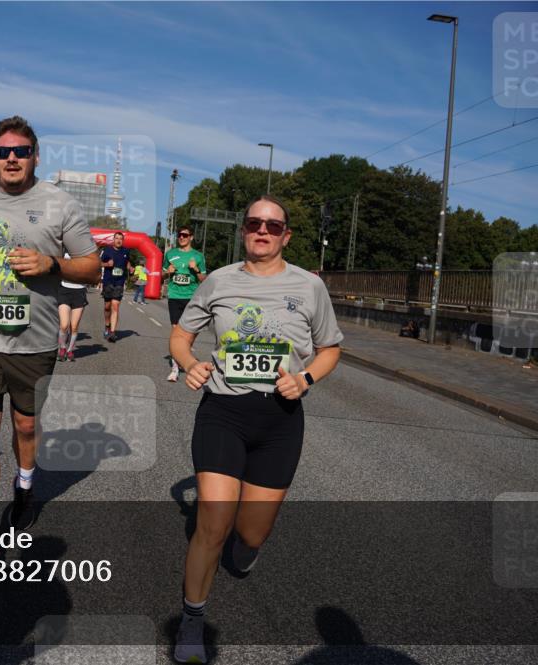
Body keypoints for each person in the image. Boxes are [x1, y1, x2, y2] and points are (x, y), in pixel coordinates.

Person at [169, 196, 343, 663]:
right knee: (212, 522)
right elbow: (181, 336)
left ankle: (247, 549)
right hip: (222, 412)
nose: (262, 230)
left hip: (280, 421)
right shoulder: (218, 281)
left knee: (250, 534)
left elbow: (330, 349)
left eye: (273, 225)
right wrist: (189, 364)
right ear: (243, 231)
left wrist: (305, 378)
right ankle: (191, 621)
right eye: (253, 223)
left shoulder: (309, 287)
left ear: (286, 235)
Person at [0, 116, 100, 561]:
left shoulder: (60, 203)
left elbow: (91, 267)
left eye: (21, 151)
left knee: (25, 426)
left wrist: (52, 264)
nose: (12, 159)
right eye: (3, 152)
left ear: (35, 156)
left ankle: (25, 486)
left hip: (35, 340)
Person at [164, 225, 207, 382]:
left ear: (191, 237)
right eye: (179, 235)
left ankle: (184, 355)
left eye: (185, 235)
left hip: (191, 297)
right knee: (176, 332)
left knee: (189, 334)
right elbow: (162, 275)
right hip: (174, 296)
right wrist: (167, 272)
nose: (181, 237)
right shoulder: (170, 254)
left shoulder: (198, 256)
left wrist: (195, 270)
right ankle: (175, 368)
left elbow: (204, 279)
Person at [100, 231, 132, 343]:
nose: (118, 240)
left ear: (122, 241)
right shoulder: (107, 250)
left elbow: (127, 262)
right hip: (108, 282)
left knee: (115, 306)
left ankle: (112, 333)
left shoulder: (126, 251)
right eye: (116, 238)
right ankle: (107, 326)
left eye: (120, 239)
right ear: (113, 240)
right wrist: (106, 264)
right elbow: (98, 263)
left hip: (119, 282)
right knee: (107, 307)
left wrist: (130, 268)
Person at [57, 252, 88, 361]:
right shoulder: (64, 250)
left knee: (74, 326)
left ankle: (70, 350)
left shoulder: (86, 252)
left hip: (79, 291)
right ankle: (62, 348)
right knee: (64, 325)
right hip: (64, 289)